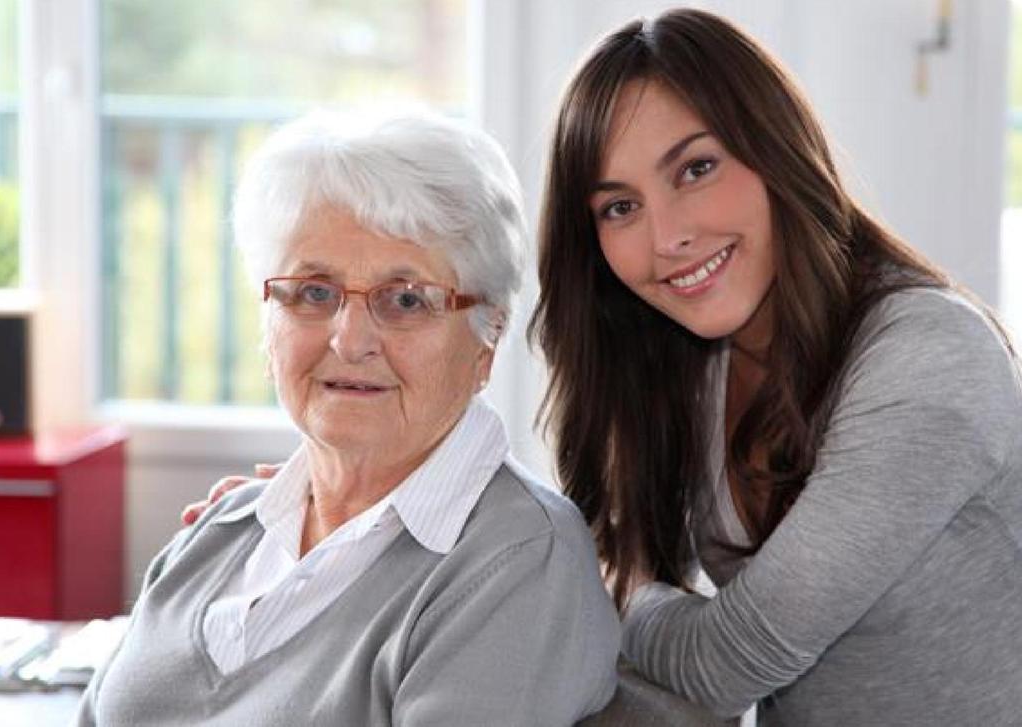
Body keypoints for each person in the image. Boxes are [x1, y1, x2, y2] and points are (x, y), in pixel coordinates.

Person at [528, 7, 1022, 726]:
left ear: (775, 148)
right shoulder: (692, 358)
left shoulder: (928, 357)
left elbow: (729, 662)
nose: (668, 237)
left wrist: (610, 581)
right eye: (619, 207)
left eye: (696, 169)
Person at [77, 111, 620, 726]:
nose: (349, 338)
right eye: (313, 292)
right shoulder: (218, 531)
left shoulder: (518, 565)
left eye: (407, 299)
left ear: (486, 342)